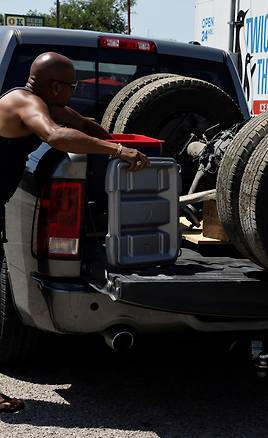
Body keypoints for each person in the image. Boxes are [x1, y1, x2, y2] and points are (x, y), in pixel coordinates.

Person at [0, 52, 149, 413]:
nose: (73, 91)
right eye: (71, 86)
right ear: (54, 86)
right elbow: (55, 136)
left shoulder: (46, 101)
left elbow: (78, 122)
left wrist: (124, 142)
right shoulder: (24, 103)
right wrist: (115, 150)